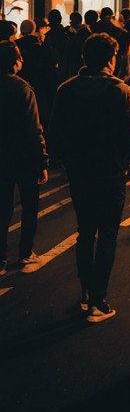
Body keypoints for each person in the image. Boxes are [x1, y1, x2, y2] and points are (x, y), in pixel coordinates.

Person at [48, 33, 130, 322]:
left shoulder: (66, 90)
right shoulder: (120, 91)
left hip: (79, 170)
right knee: (108, 234)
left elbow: (55, 130)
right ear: (111, 59)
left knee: (85, 230)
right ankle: (99, 300)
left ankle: (87, 293)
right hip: (111, 169)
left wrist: (64, 159)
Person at [0, 41, 49, 274]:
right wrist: (42, 160)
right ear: (15, 62)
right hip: (24, 156)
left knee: (2, 207)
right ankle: (25, 252)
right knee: (30, 206)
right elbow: (33, 128)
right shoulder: (23, 89)